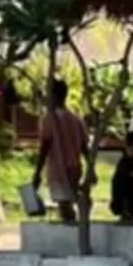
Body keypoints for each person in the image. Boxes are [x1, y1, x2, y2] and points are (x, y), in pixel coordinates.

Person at [32, 78, 90, 222]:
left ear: (53, 96)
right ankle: (75, 223)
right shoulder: (76, 119)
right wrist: (91, 167)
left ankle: (72, 227)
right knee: (68, 202)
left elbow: (45, 147)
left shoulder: (50, 119)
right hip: (75, 167)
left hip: (59, 169)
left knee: (64, 205)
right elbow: (85, 148)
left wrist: (37, 172)